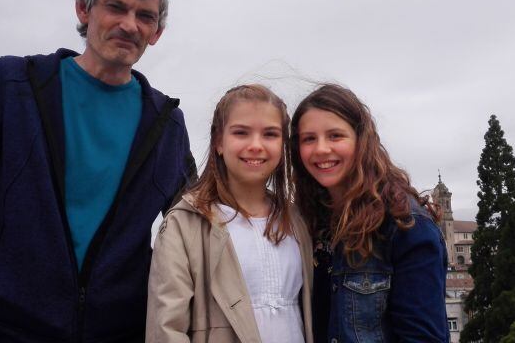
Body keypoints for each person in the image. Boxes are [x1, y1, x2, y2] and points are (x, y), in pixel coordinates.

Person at [0, 0, 195, 343]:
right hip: (8, 330)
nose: (129, 25)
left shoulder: (167, 123)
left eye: (145, 16)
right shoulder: (13, 86)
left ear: (157, 33)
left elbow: (193, 231)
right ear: (84, 10)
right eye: (115, 7)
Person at [146, 84, 314, 343]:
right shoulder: (184, 224)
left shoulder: (297, 221)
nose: (256, 145)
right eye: (241, 133)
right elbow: (166, 329)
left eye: (270, 134)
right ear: (219, 143)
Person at [291, 83, 449, 343]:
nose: (320, 149)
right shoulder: (304, 221)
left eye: (335, 136)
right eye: (309, 138)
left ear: (361, 140)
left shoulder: (405, 226)